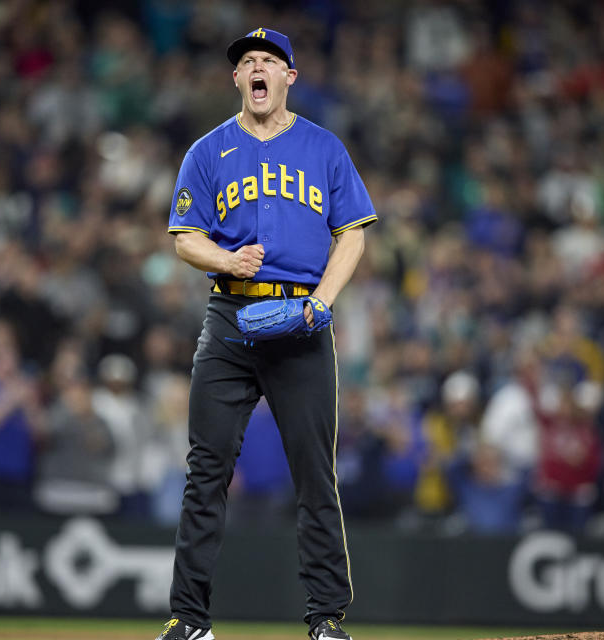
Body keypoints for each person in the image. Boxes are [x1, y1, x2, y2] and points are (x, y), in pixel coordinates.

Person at [159, 28, 376, 640]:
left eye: (268, 61)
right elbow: (184, 237)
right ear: (236, 79)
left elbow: (352, 233)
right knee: (205, 471)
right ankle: (189, 620)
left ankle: (327, 617)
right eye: (247, 62)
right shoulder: (208, 151)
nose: (257, 68)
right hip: (230, 318)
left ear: (289, 78)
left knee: (314, 473)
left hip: (302, 321)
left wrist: (322, 302)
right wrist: (226, 262)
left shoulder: (324, 147)